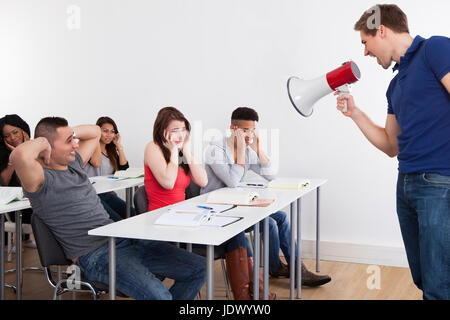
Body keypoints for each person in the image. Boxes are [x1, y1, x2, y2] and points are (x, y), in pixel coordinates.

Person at [10, 116, 206, 300]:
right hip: (95, 256)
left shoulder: (75, 164)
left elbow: (95, 132)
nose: (75, 144)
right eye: (69, 140)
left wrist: (66, 133)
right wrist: (44, 142)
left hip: (122, 240)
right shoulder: (40, 180)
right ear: (49, 146)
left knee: (198, 268)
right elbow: (19, 154)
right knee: (160, 295)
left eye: (74, 138)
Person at [336, 4, 450, 300]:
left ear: (382, 30)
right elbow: (391, 145)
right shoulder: (396, 84)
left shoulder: (434, 49)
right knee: (426, 277)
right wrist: (356, 114)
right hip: (407, 184)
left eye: (365, 42)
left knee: (439, 284)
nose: (365, 53)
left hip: (440, 182)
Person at [144, 106, 275, 299]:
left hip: (182, 218)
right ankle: (253, 295)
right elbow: (168, 181)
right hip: (162, 223)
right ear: (162, 131)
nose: (180, 134)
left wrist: (187, 151)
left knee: (237, 232)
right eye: (174, 130)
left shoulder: (181, 152)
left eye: (183, 129)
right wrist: (173, 152)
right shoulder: (153, 147)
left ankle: (251, 296)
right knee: (237, 234)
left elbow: (202, 180)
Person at [201, 107, 331, 287]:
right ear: (233, 128)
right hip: (218, 208)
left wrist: (259, 150)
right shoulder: (215, 150)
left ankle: (295, 269)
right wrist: (240, 152)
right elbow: (232, 180)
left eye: (252, 130)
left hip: (238, 204)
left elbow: (271, 175)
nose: (249, 134)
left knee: (281, 217)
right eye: (245, 130)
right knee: (268, 223)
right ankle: (276, 267)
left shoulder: (246, 149)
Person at [83, 116, 135, 221]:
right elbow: (96, 163)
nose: (109, 135)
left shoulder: (111, 151)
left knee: (133, 214)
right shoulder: (90, 148)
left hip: (108, 194)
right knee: (117, 220)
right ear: (98, 132)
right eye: (105, 131)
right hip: (94, 195)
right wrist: (95, 138)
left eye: (112, 132)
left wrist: (118, 146)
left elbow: (123, 170)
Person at [0, 114, 35, 248]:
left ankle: (25, 240)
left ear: (23, 130)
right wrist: (14, 156)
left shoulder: (34, 148)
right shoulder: (3, 153)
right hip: (12, 206)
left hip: (32, 201)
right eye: (7, 136)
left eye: (15, 132)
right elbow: (3, 183)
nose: (12, 138)